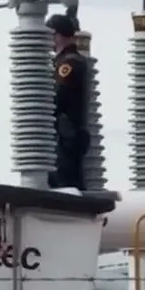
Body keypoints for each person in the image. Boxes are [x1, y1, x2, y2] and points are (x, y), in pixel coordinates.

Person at [47, 12, 91, 190]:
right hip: (70, 135)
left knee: (65, 185)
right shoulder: (72, 61)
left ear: (56, 35)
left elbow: (57, 97)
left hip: (67, 136)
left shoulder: (68, 64)